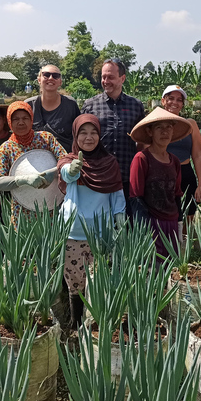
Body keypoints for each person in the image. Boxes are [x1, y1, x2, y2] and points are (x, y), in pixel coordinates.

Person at [57, 114, 126, 328]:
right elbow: (65, 172)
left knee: (98, 283)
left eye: (93, 132)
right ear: (76, 136)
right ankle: (75, 324)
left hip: (101, 235)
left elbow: (117, 195)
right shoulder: (69, 160)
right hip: (72, 233)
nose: (89, 137)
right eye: (83, 133)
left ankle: (95, 326)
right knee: (75, 284)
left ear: (100, 135)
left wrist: (120, 221)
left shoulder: (109, 162)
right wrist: (71, 170)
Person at [129, 107, 192, 260]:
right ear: (150, 132)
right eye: (159, 128)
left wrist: (179, 223)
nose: (165, 132)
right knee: (153, 270)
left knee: (171, 269)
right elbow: (136, 197)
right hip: (152, 224)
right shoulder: (142, 159)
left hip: (171, 222)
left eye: (168, 127)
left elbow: (177, 193)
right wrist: (145, 232)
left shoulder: (174, 161)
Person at [0, 101, 67, 228]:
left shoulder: (46, 139)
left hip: (52, 209)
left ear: (31, 119)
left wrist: (54, 172)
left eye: (25, 118)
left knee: (51, 245)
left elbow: (66, 161)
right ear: (9, 122)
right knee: (24, 247)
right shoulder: (6, 148)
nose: (21, 122)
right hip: (21, 213)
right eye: (15, 119)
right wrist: (24, 180)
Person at [82, 58, 145, 205]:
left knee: (127, 223)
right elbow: (81, 139)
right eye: (103, 77)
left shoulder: (135, 105)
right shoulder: (90, 105)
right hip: (98, 175)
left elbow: (142, 140)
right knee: (100, 223)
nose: (105, 81)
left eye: (110, 77)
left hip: (127, 174)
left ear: (122, 78)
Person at [161, 85, 201, 224]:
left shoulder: (190, 124)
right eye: (171, 98)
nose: (175, 102)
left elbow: (197, 154)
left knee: (188, 217)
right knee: (165, 216)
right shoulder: (154, 123)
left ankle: (186, 246)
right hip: (162, 174)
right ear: (163, 101)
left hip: (185, 173)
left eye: (179, 100)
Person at [25, 64, 80, 150]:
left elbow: (79, 133)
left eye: (55, 76)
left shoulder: (70, 105)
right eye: (46, 75)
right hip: (35, 157)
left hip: (65, 158)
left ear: (60, 82)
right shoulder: (28, 106)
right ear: (39, 80)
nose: (50, 78)